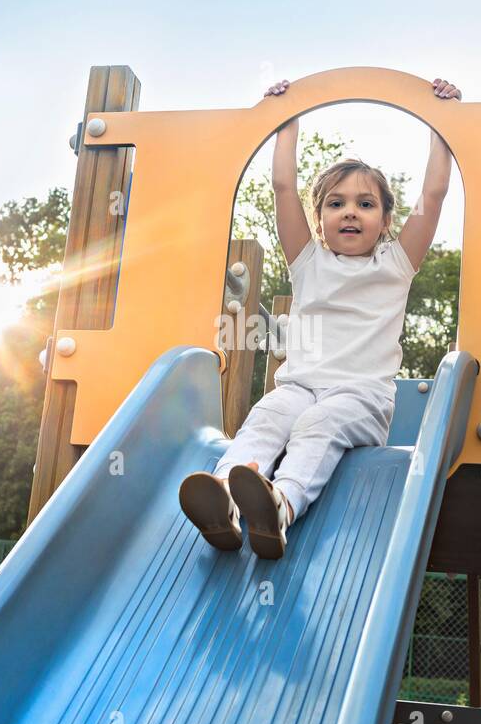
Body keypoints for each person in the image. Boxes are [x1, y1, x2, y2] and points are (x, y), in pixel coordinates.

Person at [180, 76, 460, 559]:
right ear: (320, 217)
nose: (350, 213)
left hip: (363, 399)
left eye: (365, 204)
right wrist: (286, 118)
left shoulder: (395, 264)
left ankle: (280, 508)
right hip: (299, 386)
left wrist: (443, 122)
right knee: (267, 416)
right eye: (336, 203)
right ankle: (223, 499)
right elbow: (283, 186)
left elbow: (432, 197)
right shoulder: (307, 261)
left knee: (318, 423)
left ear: (386, 221)